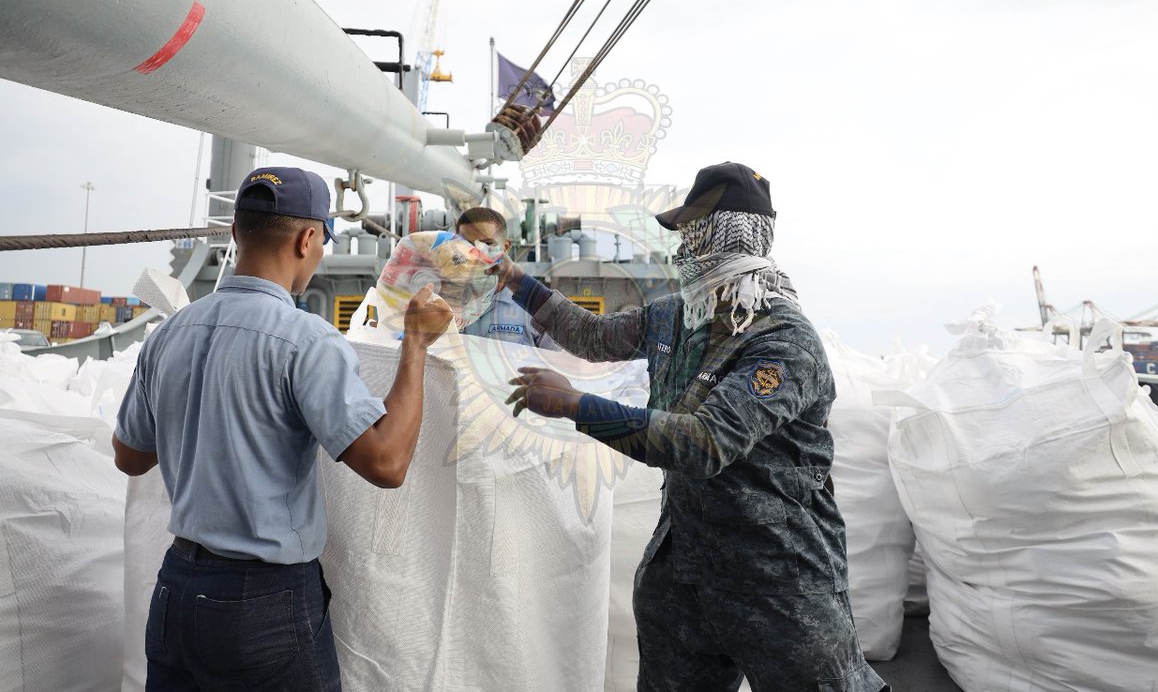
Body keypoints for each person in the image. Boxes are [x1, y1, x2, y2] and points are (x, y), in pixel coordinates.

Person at [495, 162, 888, 692]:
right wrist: (515, 280)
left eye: (693, 231)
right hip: (683, 570)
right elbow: (594, 337)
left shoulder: (782, 340)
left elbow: (705, 442)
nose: (683, 247)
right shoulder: (677, 315)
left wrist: (577, 406)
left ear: (726, 234)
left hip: (777, 577)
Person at [111, 166, 452, 691]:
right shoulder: (306, 341)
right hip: (261, 604)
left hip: (175, 590)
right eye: (321, 245)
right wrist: (416, 345)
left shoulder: (169, 334)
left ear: (235, 232)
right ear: (307, 238)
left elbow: (129, 457)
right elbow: (387, 463)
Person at [456, 206, 559, 350]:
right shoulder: (443, 300)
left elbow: (555, 360)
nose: (476, 253)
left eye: (487, 244)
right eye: (467, 244)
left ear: (505, 247)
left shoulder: (535, 306)